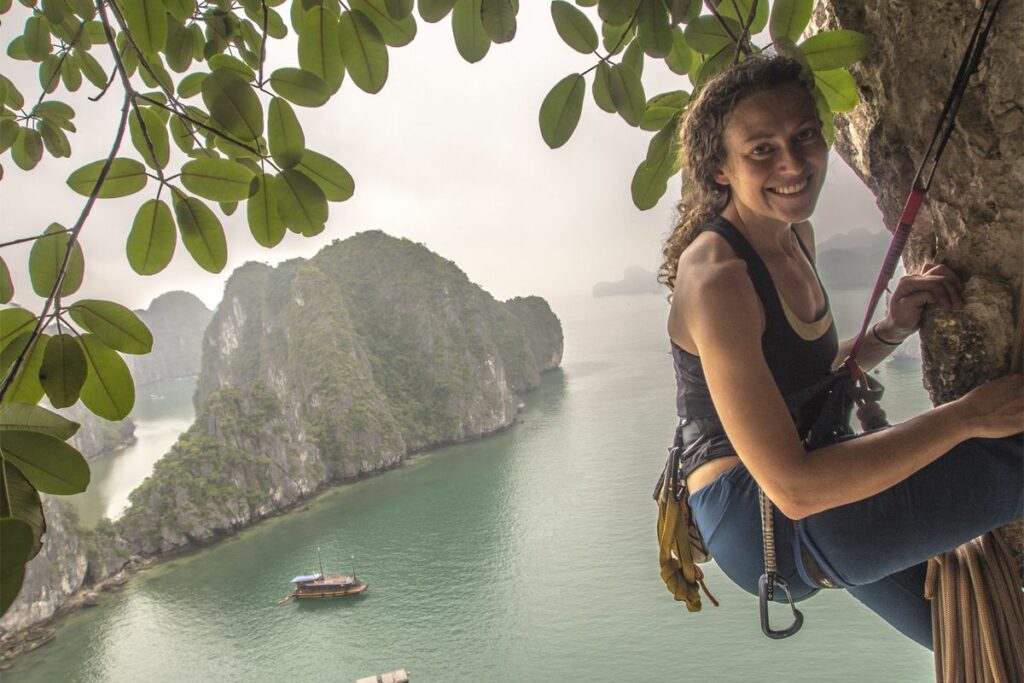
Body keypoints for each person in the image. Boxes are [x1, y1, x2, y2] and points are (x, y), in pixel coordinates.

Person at [659, 54, 1023, 648]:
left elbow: (792, 379)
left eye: (805, 135)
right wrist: (969, 416)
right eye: (762, 150)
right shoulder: (719, 277)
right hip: (762, 516)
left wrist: (889, 330)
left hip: (809, 475)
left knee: (984, 644)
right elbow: (795, 488)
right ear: (720, 169)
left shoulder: (791, 231)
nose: (794, 163)